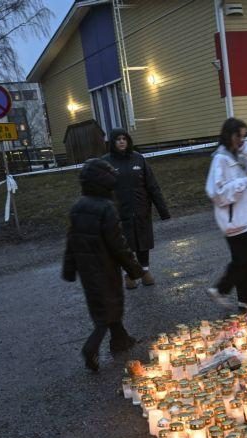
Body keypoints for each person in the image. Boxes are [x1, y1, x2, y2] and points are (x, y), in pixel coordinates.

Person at [62, 159, 144, 372]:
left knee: (105, 306)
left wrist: (69, 269)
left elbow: (71, 240)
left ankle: (120, 340)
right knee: (106, 313)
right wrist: (134, 268)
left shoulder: (78, 206)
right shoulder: (106, 208)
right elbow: (118, 245)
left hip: (87, 270)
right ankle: (91, 348)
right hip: (106, 268)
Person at [205, 118, 247, 311]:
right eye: (239, 136)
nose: (242, 140)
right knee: (246, 257)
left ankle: (246, 298)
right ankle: (220, 289)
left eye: (244, 136)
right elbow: (216, 193)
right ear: (229, 135)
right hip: (231, 219)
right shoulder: (220, 159)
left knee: (246, 258)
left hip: (243, 216)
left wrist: (246, 155)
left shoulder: (238, 155)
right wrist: (244, 183)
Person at [101, 128, 171, 289]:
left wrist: (163, 211)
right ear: (112, 142)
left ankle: (145, 271)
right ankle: (130, 275)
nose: (121, 141)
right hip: (119, 213)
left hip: (141, 210)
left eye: (124, 138)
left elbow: (152, 186)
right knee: (125, 245)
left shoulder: (139, 159)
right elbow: (101, 189)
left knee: (143, 242)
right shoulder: (106, 162)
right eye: (118, 139)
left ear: (128, 141)